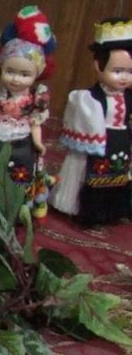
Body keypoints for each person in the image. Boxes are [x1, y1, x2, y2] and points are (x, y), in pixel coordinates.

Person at [0, 6, 54, 219]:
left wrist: (38, 142)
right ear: (1, 67)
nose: (16, 79)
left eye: (25, 74)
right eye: (10, 71)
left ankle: (14, 207)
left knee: (20, 168)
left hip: (21, 140)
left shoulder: (36, 97)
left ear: (37, 74)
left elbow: (35, 122)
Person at [54, 19, 132, 226]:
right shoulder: (88, 99)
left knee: (119, 175)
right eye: (117, 71)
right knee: (92, 176)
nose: (124, 78)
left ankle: (114, 211)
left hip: (121, 142)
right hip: (99, 145)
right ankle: (88, 212)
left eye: (130, 72)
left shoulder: (128, 97)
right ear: (98, 65)